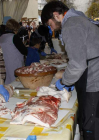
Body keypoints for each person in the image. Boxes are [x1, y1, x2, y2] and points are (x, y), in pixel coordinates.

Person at [41, 1, 99, 140]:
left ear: (56, 15)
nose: (52, 28)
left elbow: (78, 65)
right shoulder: (78, 19)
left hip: (94, 79)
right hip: (93, 71)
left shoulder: (71, 25)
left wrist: (65, 81)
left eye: (50, 24)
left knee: (91, 125)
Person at [0, 19, 28, 84]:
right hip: (15, 64)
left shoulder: (1, 37)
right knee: (16, 83)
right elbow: (24, 51)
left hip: (5, 64)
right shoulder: (14, 37)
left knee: (8, 83)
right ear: (15, 28)